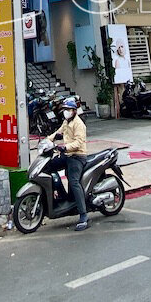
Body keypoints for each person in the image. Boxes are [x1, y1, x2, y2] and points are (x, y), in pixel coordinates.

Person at [51, 98, 89, 231]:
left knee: (73, 181)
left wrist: (65, 147)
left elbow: (78, 143)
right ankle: (61, 197)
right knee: (49, 167)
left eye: (68, 110)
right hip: (67, 155)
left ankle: (83, 215)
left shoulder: (79, 124)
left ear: (74, 111)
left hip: (77, 156)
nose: (66, 112)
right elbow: (58, 133)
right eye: (65, 109)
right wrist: (47, 141)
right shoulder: (66, 122)